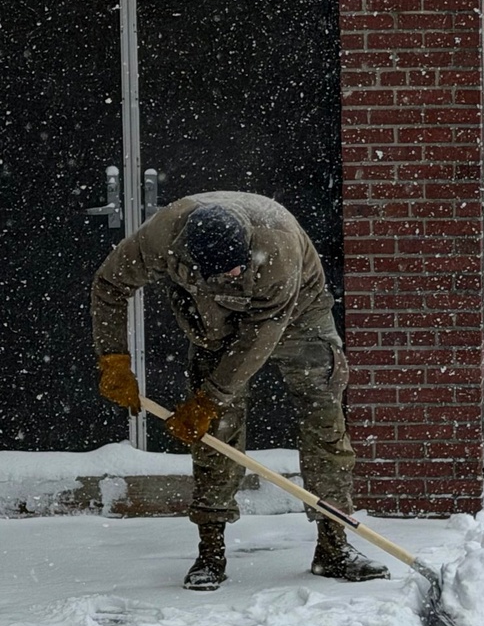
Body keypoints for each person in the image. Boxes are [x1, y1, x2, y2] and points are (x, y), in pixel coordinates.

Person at [91, 191, 389, 590]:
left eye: (237, 267)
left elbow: (258, 338)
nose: (234, 274)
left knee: (324, 420)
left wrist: (210, 397)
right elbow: (109, 284)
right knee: (215, 432)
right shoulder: (161, 237)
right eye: (224, 271)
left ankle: (334, 548)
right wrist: (113, 360)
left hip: (297, 316)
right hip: (212, 320)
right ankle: (210, 553)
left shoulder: (276, 247)